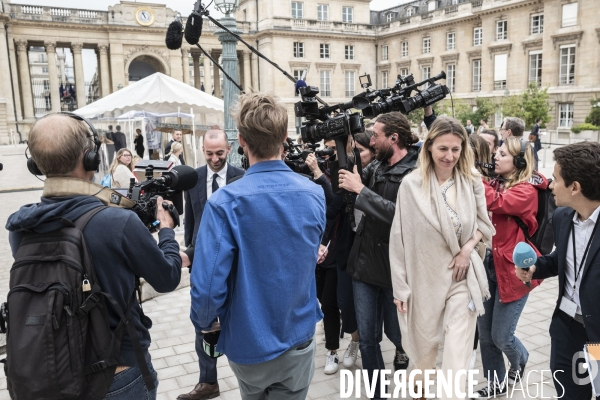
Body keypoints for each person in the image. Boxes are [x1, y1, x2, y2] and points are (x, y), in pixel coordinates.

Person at [6, 113, 181, 399]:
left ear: (34, 164)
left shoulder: (21, 226)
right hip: (118, 375)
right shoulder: (117, 222)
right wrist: (166, 231)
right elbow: (167, 278)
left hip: (58, 372)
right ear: (90, 157)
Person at [189, 91, 327, 400]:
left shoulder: (225, 202)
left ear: (241, 141)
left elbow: (208, 287)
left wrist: (204, 321)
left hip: (248, 340)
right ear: (284, 138)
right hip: (298, 334)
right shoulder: (313, 193)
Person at [390, 117, 494, 400]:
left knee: (458, 351)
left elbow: (485, 226)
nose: (449, 156)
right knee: (424, 354)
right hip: (423, 280)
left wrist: (466, 249)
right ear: (429, 148)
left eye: (456, 149)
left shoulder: (471, 181)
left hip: (462, 277)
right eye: (443, 149)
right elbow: (398, 238)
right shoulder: (410, 186)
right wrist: (400, 286)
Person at [338, 112, 419, 397]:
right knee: (368, 339)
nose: (371, 141)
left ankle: (412, 369)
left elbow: (403, 217)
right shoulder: (376, 166)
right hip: (363, 265)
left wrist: (361, 190)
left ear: (393, 138)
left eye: (376, 136)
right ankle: (378, 393)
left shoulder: (415, 172)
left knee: (398, 335)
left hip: (395, 268)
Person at [516, 142, 600, 400]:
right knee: (570, 393)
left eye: (556, 179)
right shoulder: (563, 216)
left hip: (596, 335)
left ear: (575, 187)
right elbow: (559, 259)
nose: (551, 185)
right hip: (566, 328)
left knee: (595, 391)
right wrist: (534, 267)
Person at [473, 137, 549, 398]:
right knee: (485, 336)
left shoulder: (526, 191)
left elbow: (497, 202)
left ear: (518, 162)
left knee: (501, 337)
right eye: (496, 152)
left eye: (502, 154)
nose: (495, 156)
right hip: (487, 265)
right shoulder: (495, 181)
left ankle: (521, 356)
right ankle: (496, 382)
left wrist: (472, 176)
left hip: (513, 272)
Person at [178, 129, 245, 400]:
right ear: (202, 151)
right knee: (202, 323)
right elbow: (191, 221)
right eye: (209, 153)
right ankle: (208, 382)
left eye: (219, 153)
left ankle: (249, 379)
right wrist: (190, 256)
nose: (214, 159)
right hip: (202, 264)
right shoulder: (194, 179)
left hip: (236, 264)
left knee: (238, 318)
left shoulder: (241, 177)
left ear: (228, 149)